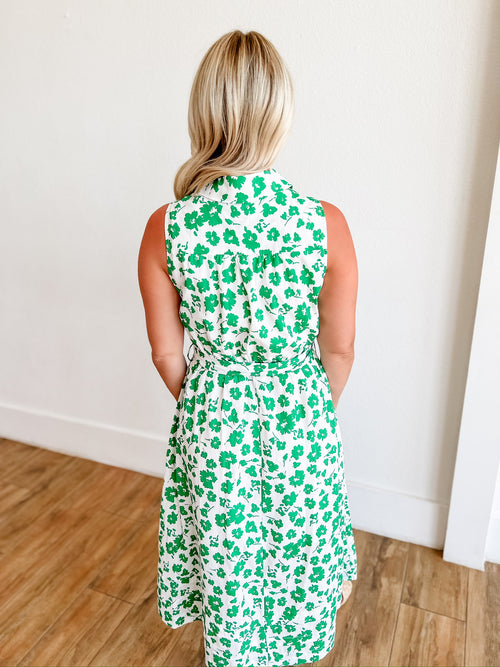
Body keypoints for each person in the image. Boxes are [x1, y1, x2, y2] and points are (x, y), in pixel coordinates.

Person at [138, 29, 358, 667]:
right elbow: (340, 350)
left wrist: (212, 398)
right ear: (280, 114)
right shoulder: (325, 223)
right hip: (302, 410)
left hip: (213, 415)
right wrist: (306, 404)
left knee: (228, 554)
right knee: (298, 550)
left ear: (202, 111)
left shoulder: (167, 227)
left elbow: (166, 355)